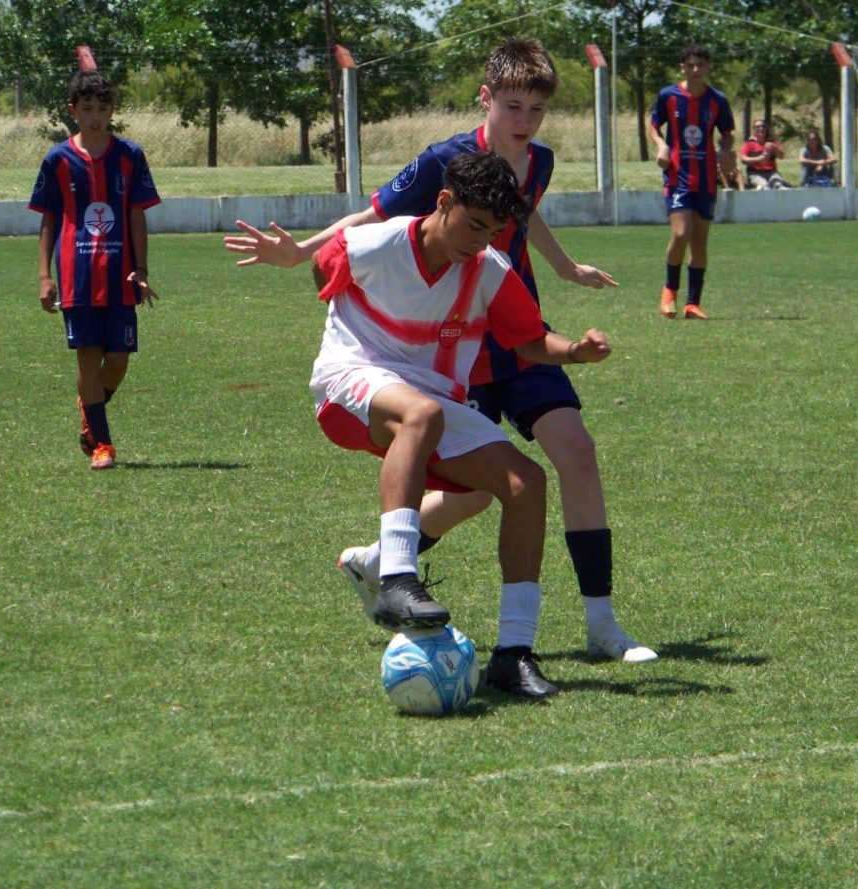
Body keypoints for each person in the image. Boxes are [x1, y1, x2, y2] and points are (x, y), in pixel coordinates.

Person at [226, 37, 657, 665]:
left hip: (517, 325)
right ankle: (386, 564)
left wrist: (563, 268)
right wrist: (300, 253)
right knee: (477, 487)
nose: (524, 122)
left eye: (535, 111)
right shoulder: (443, 163)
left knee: (577, 454)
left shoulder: (537, 162)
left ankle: (602, 624)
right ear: (486, 99)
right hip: (456, 345)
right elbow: (373, 216)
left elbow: (525, 215)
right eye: (513, 107)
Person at [310, 150, 612, 700]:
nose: (480, 242)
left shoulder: (488, 269)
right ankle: (397, 580)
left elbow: (526, 339)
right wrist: (356, 331)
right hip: (349, 379)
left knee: (526, 482)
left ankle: (514, 653)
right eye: (473, 226)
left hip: (427, 398)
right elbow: (325, 265)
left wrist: (575, 352)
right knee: (418, 414)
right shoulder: (379, 243)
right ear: (443, 202)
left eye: (493, 233)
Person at [29, 69, 161, 470]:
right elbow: (48, 218)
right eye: (87, 109)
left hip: (121, 277)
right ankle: (102, 444)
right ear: (73, 111)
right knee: (87, 356)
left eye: (102, 109)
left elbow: (137, 215)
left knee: (118, 361)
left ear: (112, 111)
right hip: (78, 276)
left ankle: (89, 407)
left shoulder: (130, 156)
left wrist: (141, 268)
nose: (95, 117)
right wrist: (45, 276)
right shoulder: (58, 159)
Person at [650, 43, 737, 321]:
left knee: (699, 243)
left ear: (708, 67)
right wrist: (661, 145)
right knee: (680, 234)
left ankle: (692, 304)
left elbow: (727, 134)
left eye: (701, 64)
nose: (696, 69)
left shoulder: (717, 101)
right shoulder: (669, 96)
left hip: (707, 179)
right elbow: (653, 125)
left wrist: (725, 151)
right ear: (682, 67)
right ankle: (669, 292)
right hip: (678, 176)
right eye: (690, 65)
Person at [740, 120, 789, 191]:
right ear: (754, 129)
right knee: (765, 187)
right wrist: (759, 158)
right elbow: (743, 159)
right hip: (755, 173)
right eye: (758, 127)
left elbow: (781, 156)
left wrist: (774, 147)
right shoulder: (748, 144)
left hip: (771, 172)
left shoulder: (772, 142)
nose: (761, 129)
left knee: (778, 186)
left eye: (763, 126)